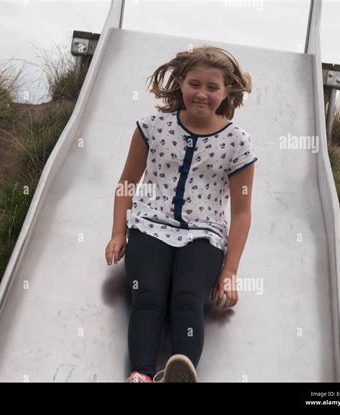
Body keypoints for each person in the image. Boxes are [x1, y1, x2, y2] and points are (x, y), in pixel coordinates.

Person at [105, 45, 258, 383]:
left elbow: (242, 212)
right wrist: (119, 232)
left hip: (203, 236)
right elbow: (127, 183)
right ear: (179, 83)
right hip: (149, 227)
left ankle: (181, 372)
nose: (202, 94)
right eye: (194, 83)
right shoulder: (152, 126)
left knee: (187, 298)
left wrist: (230, 270)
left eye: (212, 87)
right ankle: (141, 374)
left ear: (226, 91)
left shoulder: (237, 143)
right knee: (148, 294)